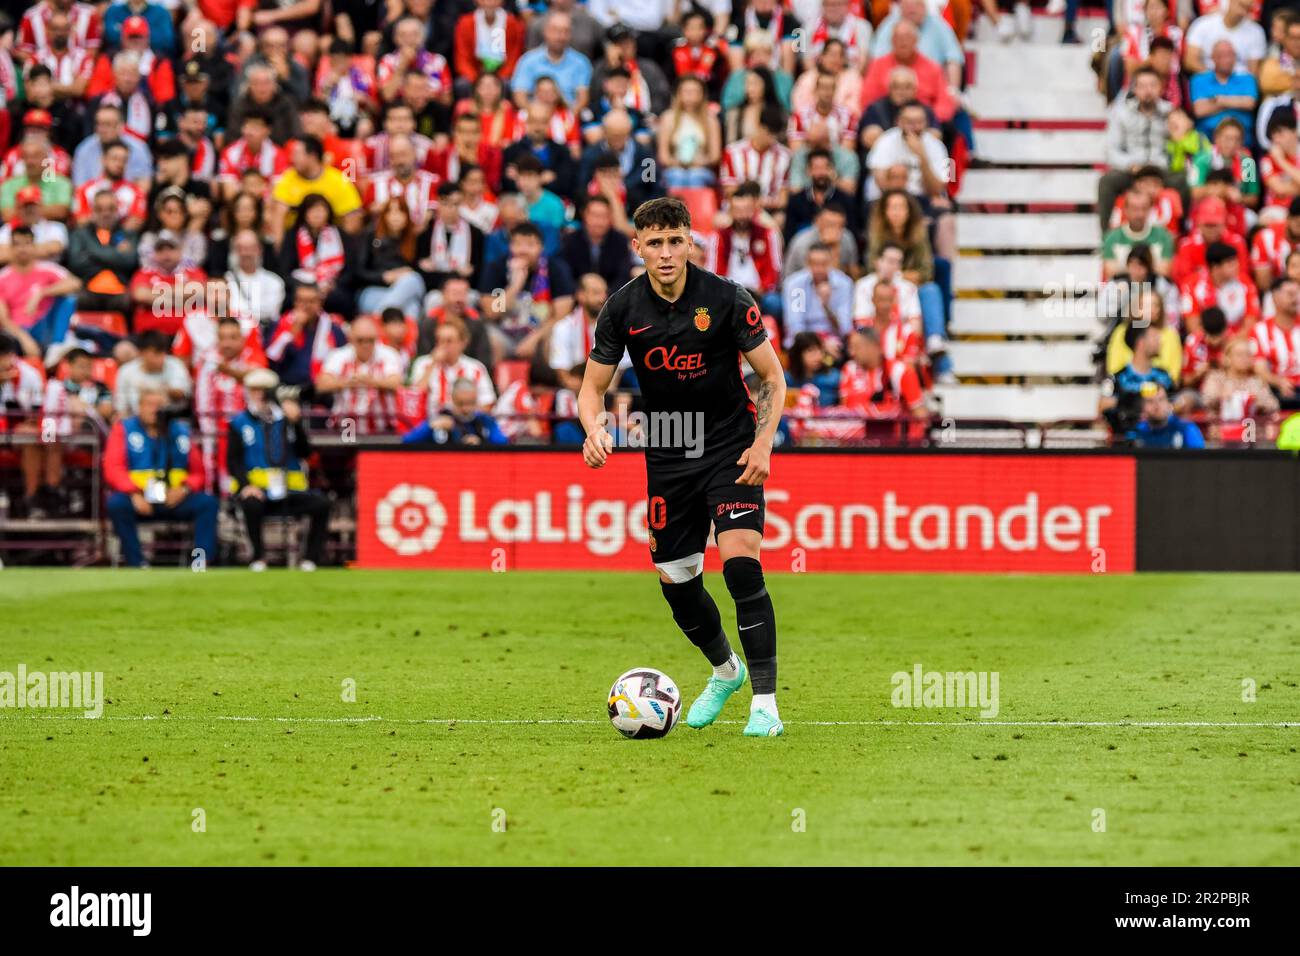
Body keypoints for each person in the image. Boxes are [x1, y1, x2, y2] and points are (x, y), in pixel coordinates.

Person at [578, 196, 789, 737]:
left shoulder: (725, 299)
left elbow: (772, 377)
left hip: (729, 445)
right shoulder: (622, 309)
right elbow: (592, 388)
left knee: (741, 563)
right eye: (655, 243)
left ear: (690, 241)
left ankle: (765, 702)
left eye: (676, 241)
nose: (667, 253)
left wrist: (763, 443)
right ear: (638, 247)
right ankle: (726, 671)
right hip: (669, 452)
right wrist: (594, 429)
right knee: (678, 584)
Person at [104, 385, 219, 568]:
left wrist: (184, 488)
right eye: (149, 404)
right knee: (116, 504)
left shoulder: (180, 431)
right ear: (139, 407)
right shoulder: (124, 430)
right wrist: (134, 493)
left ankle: (200, 561)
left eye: (159, 405)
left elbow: (198, 472)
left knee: (208, 503)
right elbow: (113, 469)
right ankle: (137, 563)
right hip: (140, 498)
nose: (154, 409)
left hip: (174, 498)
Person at [228, 368, 330, 571]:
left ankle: (310, 559)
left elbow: (306, 452)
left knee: (322, 504)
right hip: (259, 492)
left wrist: (297, 423)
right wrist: (246, 485)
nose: (259, 395)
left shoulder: (285, 419)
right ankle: (258, 557)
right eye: (254, 390)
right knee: (250, 504)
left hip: (289, 490)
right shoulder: (239, 423)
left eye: (264, 390)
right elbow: (234, 460)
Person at [0, 226, 81, 351]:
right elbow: (3, 318)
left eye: (27, 244)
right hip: (18, 332)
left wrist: (42, 292)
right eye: (17, 244)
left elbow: (75, 283)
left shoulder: (47, 268)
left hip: (46, 326)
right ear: (11, 248)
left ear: (34, 247)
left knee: (68, 299)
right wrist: (24, 338)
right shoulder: (3, 277)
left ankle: (57, 347)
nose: (22, 249)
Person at [403, 376, 508, 445]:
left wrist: (481, 444)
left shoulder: (484, 421)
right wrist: (430, 427)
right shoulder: (442, 418)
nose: (466, 409)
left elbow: (503, 443)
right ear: (452, 399)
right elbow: (407, 441)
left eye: (470, 403)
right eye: (461, 403)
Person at [1133, 384, 1207, 448]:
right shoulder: (1137, 432)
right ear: (1142, 407)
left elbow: (1200, 460)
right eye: (1150, 401)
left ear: (1169, 404)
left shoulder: (1186, 429)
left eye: (1161, 400)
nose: (1157, 406)